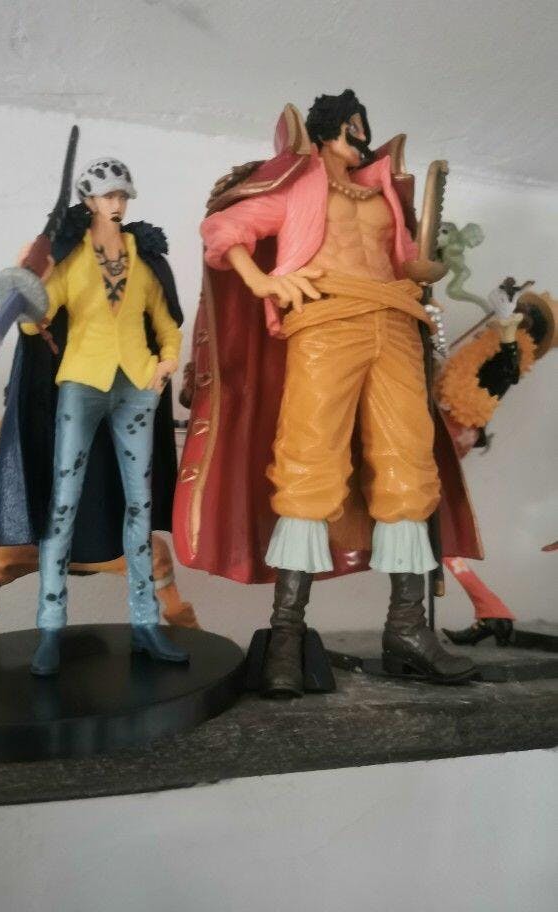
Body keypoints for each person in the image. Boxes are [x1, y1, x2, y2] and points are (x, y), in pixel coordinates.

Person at [174, 91, 481, 697]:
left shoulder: (382, 192)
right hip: (326, 321)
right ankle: (286, 636)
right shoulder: (298, 187)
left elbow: (403, 262)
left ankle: (407, 628)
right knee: (308, 465)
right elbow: (224, 229)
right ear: (327, 133)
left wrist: (422, 270)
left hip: (395, 322)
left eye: (363, 129)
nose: (359, 139)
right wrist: (265, 280)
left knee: (409, 468)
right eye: (350, 129)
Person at [0, 156, 188, 675]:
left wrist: (167, 362)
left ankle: (145, 623)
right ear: (89, 201)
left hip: (137, 387)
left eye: (122, 195)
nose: (117, 204)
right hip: (81, 384)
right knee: (63, 502)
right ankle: (50, 627)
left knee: (139, 506)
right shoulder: (74, 257)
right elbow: (37, 322)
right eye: (108, 196)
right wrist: (27, 282)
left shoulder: (143, 258)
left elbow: (166, 322)